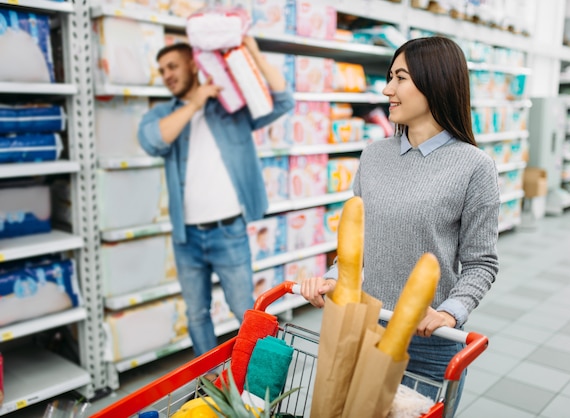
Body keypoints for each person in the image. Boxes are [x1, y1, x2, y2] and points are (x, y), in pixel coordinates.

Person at [300, 36, 500, 410]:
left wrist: (450, 311)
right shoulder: (374, 155)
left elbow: (481, 263)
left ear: (435, 81)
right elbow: (355, 243)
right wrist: (332, 277)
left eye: (400, 78)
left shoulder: (475, 167)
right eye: (390, 76)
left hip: (430, 342)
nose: (388, 88)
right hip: (365, 328)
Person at [138, 37, 295, 357]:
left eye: (173, 66)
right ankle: (209, 385)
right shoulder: (160, 115)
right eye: (162, 70)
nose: (166, 74)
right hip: (187, 237)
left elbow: (282, 100)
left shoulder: (230, 108)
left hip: (229, 231)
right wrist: (194, 103)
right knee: (196, 315)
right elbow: (153, 141)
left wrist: (251, 50)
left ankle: (255, 387)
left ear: (194, 64)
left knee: (245, 311)